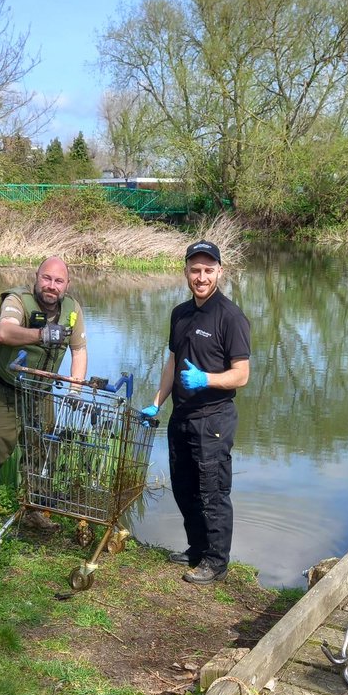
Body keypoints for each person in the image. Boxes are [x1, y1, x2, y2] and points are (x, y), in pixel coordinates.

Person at [141, 240, 250, 584]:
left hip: (214, 419)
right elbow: (173, 361)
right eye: (194, 270)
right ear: (186, 272)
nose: (200, 277)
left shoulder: (230, 317)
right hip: (181, 416)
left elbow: (242, 375)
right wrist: (157, 400)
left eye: (207, 270)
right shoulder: (180, 314)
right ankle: (197, 549)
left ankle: (216, 562)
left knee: (212, 491)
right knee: (184, 487)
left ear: (220, 271)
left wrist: (207, 379)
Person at [0, 256, 87, 527]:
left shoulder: (72, 309)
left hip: (41, 392)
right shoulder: (17, 301)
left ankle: (33, 511)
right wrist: (41, 335)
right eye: (46, 278)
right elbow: (5, 333)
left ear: (67, 284)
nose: (52, 286)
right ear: (36, 277)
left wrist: (75, 389)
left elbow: (79, 349)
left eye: (58, 281)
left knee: (41, 452)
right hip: (4, 386)